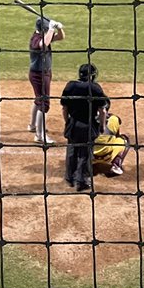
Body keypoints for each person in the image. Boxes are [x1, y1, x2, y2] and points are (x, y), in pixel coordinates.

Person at [60, 63, 110, 191]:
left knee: (72, 150)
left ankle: (69, 178)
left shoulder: (70, 86)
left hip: (73, 123)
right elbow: (103, 111)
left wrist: (67, 123)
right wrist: (102, 126)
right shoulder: (95, 88)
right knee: (85, 153)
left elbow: (64, 108)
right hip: (88, 125)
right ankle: (81, 181)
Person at [27, 16, 64, 145]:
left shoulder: (43, 35)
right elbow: (44, 44)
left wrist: (58, 29)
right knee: (44, 104)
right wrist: (51, 29)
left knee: (39, 100)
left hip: (44, 73)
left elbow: (60, 37)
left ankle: (32, 126)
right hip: (39, 75)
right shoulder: (36, 39)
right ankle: (40, 135)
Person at [92, 112, 130, 178]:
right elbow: (117, 135)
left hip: (89, 156)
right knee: (124, 139)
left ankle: (81, 165)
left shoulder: (84, 119)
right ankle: (116, 164)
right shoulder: (113, 119)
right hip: (107, 156)